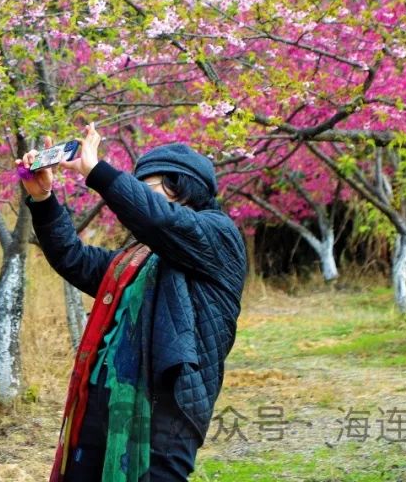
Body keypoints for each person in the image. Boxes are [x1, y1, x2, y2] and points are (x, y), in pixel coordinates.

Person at [16, 123, 247, 482]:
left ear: (180, 186)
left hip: (164, 412)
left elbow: (158, 218)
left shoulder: (217, 236)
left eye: (146, 189)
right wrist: (43, 201)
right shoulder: (137, 258)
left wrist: (98, 172)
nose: (137, 198)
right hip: (103, 402)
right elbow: (72, 257)